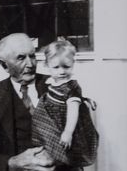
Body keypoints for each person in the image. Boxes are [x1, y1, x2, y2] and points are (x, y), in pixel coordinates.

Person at [0, 33, 55, 171]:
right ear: (4, 65)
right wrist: (11, 163)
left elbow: (87, 140)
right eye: (21, 58)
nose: (30, 64)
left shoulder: (58, 85)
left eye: (32, 56)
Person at [32, 39, 99, 170]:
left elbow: (73, 109)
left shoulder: (72, 87)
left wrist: (68, 132)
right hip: (54, 124)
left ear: (73, 64)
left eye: (66, 67)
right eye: (56, 67)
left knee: (68, 158)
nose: (62, 72)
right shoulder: (51, 82)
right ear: (46, 65)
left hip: (66, 126)